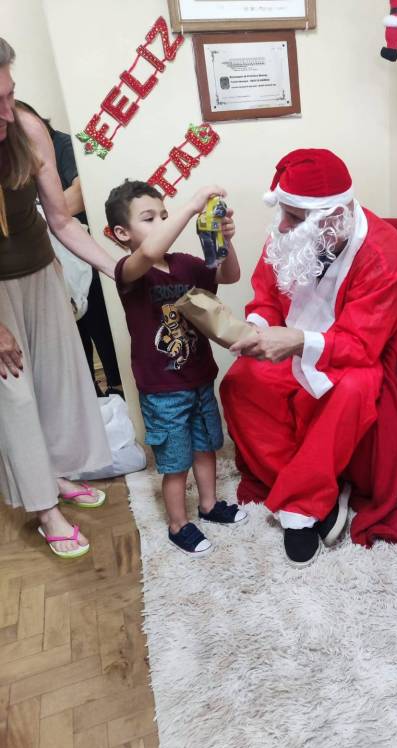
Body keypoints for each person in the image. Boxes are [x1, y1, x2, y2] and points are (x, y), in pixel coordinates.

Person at [220, 148, 397, 568]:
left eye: (294, 217)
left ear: (334, 217)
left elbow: (361, 345)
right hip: (294, 339)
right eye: (283, 212)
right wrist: (256, 329)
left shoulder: (384, 251)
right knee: (239, 383)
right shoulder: (289, 236)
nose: (282, 225)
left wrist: (296, 342)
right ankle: (322, 496)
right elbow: (266, 294)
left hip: (357, 354)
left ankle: (302, 508)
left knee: (351, 391)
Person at [0, 38, 117, 557]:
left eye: (10, 94)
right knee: (15, 398)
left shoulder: (25, 128)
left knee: (54, 385)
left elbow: (62, 220)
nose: (8, 111)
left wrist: (119, 270)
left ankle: (53, 473)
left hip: (39, 273)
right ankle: (45, 509)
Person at [106, 180, 247, 557]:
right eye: (149, 218)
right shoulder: (129, 271)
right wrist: (190, 206)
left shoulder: (184, 263)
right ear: (122, 233)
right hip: (162, 391)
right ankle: (177, 524)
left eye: (164, 215)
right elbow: (150, 250)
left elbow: (229, 275)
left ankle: (208, 505)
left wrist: (224, 240)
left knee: (206, 448)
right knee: (175, 463)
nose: (163, 224)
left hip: (199, 378)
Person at [17, 100, 123, 398]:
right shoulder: (17, 157)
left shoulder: (62, 144)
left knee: (100, 325)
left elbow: (78, 196)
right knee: (73, 337)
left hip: (81, 256)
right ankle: (90, 394)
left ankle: (116, 388)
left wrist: (37, 214)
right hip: (50, 264)